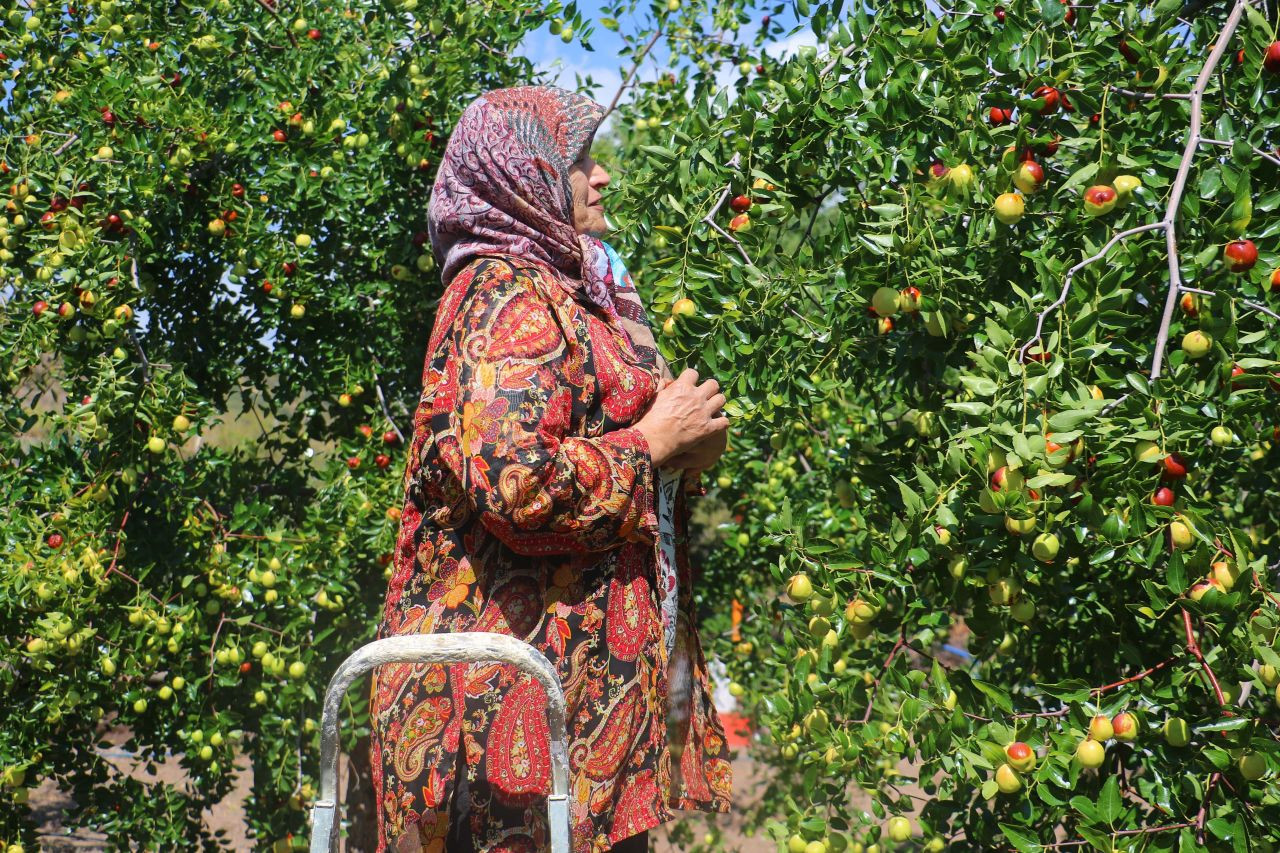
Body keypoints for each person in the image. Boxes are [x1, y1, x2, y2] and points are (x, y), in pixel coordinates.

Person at [368, 85, 733, 853]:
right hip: (501, 728)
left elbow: (606, 443)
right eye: (581, 162)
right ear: (523, 173)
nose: (603, 178)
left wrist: (686, 450)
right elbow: (518, 484)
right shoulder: (506, 297)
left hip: (572, 715)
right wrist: (654, 447)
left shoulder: (571, 294)